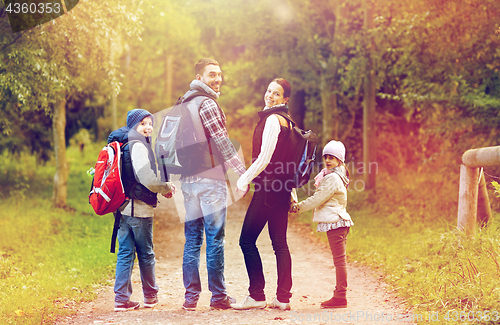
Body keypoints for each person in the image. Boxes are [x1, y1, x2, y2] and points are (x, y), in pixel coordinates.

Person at [180, 58, 247, 310]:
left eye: (219, 74)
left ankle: (190, 298)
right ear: (199, 79)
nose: (218, 79)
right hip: (210, 179)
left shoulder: (183, 103)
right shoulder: (206, 103)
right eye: (211, 75)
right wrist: (243, 174)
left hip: (188, 180)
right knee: (214, 238)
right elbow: (222, 142)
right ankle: (218, 297)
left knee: (192, 239)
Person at [231, 78, 294, 311]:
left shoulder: (272, 121)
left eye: (276, 94)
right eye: (269, 91)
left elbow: (265, 158)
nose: (270, 96)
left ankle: (257, 295)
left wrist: (244, 179)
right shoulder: (289, 122)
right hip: (283, 189)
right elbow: (290, 163)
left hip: (268, 189)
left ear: (285, 99)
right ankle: (283, 298)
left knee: (246, 240)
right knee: (280, 243)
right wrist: (293, 193)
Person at [108, 108, 175, 312]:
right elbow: (146, 177)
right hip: (139, 209)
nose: (148, 127)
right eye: (143, 123)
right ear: (133, 125)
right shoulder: (136, 145)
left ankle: (121, 299)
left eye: (149, 123)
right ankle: (150, 296)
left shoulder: (123, 144)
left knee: (125, 253)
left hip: (122, 208)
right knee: (145, 253)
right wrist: (166, 187)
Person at [290, 140, 353, 309]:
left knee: (339, 261)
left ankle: (340, 296)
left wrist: (298, 207)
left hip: (336, 222)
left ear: (340, 160)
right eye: (326, 157)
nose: (328, 160)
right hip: (337, 222)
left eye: (332, 157)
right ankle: (340, 294)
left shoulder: (332, 178)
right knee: (339, 260)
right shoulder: (334, 175)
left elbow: (318, 198)